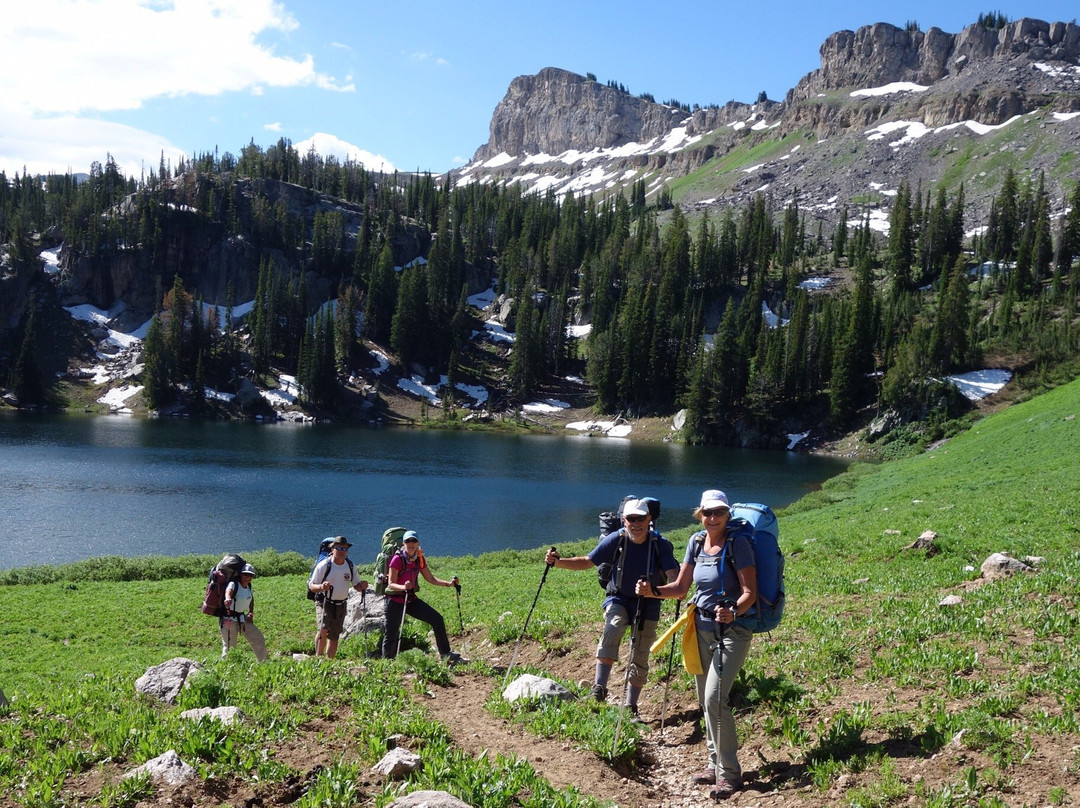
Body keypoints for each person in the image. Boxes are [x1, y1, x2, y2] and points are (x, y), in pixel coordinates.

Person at [635, 489, 757, 799]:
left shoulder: (738, 544)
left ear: (727, 514)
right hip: (700, 628)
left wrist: (733, 611)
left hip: (732, 631)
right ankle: (714, 764)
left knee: (715, 698)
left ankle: (730, 775)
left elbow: (750, 592)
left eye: (719, 512)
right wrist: (652, 591)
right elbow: (680, 588)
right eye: (707, 512)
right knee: (705, 699)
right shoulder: (696, 542)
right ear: (699, 514)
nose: (713, 518)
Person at [546, 497, 678, 716]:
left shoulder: (660, 545)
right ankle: (599, 689)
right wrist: (558, 562)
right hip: (618, 597)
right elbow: (587, 561)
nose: (636, 524)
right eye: (631, 519)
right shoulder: (617, 539)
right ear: (624, 520)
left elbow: (675, 580)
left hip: (650, 603)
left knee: (641, 652)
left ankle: (631, 706)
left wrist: (653, 591)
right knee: (613, 628)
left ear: (649, 519)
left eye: (640, 519)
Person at [381, 530, 464, 664]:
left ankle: (445, 654)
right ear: (403, 544)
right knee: (391, 633)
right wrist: (403, 587)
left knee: (437, 619)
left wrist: (448, 584)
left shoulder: (419, 559)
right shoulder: (397, 559)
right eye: (408, 541)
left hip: (410, 599)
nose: (411, 543)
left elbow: (430, 578)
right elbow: (391, 583)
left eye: (413, 541)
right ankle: (387, 663)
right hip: (394, 601)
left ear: (418, 543)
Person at [308, 537, 369, 659]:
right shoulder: (324, 565)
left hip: (341, 603)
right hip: (324, 601)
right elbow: (311, 586)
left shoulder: (350, 566)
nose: (342, 551)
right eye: (339, 548)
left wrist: (362, 586)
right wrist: (321, 587)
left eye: (345, 549)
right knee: (323, 629)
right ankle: (318, 658)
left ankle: (329, 661)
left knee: (334, 635)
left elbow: (356, 585)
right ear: (332, 549)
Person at [220, 562, 268, 662]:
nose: (248, 577)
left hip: (242, 618)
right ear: (241, 574)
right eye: (246, 574)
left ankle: (265, 662)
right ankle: (227, 666)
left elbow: (251, 599)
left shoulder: (248, 586)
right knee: (229, 646)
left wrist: (251, 612)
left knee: (258, 638)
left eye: (250, 575)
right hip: (228, 619)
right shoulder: (233, 584)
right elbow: (228, 591)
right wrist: (228, 598)